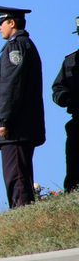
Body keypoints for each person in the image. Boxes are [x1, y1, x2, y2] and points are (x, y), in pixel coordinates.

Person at [0, 5, 45, 208]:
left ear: (11, 23)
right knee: (17, 172)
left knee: (16, 174)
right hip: (20, 124)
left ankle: (21, 211)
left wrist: (4, 119)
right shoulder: (21, 45)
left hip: (16, 127)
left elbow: (11, 84)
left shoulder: (16, 47)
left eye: (1, 23)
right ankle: (21, 209)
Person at [52, 16, 79, 193]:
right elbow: (57, 86)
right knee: (74, 160)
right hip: (77, 119)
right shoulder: (71, 60)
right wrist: (63, 97)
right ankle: (73, 192)